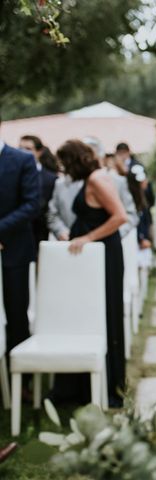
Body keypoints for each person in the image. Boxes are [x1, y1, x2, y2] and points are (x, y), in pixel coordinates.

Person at [54, 140, 128, 408]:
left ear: (75, 161)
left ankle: (109, 386)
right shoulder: (93, 178)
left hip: (105, 256)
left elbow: (120, 216)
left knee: (105, 315)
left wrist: (87, 237)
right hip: (92, 260)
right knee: (89, 315)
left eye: (64, 163)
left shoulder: (98, 179)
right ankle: (84, 387)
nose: (63, 168)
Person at [0, 124, 39, 371]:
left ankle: (20, 379)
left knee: (16, 312)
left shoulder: (22, 160)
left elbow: (31, 204)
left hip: (14, 249)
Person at [19, 135, 58, 248]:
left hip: (40, 236)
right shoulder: (10, 174)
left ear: (39, 152)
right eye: (20, 148)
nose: (22, 152)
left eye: (28, 149)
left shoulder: (51, 178)